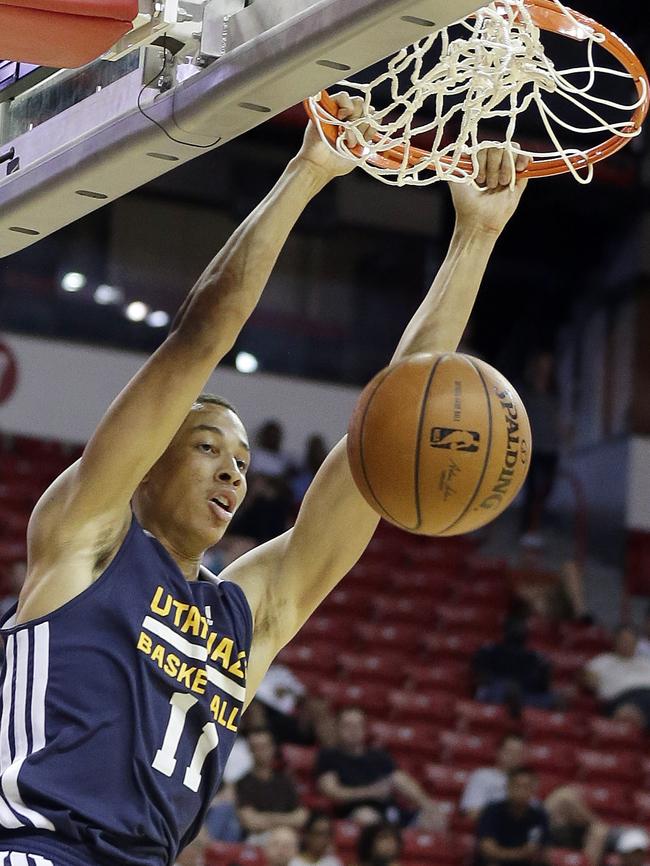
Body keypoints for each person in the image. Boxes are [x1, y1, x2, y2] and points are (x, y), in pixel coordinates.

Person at [0, 88, 529, 866]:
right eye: (209, 446)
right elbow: (201, 334)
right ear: (147, 462)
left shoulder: (245, 616)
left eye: (243, 462)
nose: (232, 472)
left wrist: (474, 241)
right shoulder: (87, 540)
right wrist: (310, 169)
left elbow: (384, 442)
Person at [462, 735, 609, 866]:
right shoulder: (483, 776)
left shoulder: (534, 801)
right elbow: (473, 814)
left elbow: (541, 848)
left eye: (519, 753)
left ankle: (601, 828)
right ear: (499, 752)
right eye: (510, 751)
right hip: (498, 826)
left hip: (531, 824)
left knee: (569, 797)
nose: (515, 756)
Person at [316, 707, 443, 828]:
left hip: (389, 810)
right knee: (366, 816)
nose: (353, 730)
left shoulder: (379, 756)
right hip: (354, 812)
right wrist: (372, 792)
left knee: (434, 819)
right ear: (337, 728)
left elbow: (401, 781)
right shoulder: (329, 756)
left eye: (358, 725)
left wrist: (427, 806)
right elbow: (332, 791)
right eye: (347, 725)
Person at [473, 617, 558, 714]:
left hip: (525, 695)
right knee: (512, 689)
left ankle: (552, 725)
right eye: (515, 627)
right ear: (506, 630)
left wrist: (545, 672)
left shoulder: (533, 657)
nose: (519, 630)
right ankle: (514, 725)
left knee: (558, 699)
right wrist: (503, 683)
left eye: (521, 628)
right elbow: (480, 677)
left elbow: (542, 686)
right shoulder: (490, 650)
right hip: (495, 691)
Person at [236, 728, 308, 841]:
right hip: (257, 839)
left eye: (264, 746)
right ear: (250, 750)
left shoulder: (285, 781)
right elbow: (250, 822)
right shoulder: (243, 783)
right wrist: (286, 820)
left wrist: (267, 819)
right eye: (255, 747)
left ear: (272, 748)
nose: (260, 751)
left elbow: (301, 817)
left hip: (287, 836)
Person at [476, 768, 550, 866]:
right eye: (517, 786)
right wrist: (521, 853)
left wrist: (502, 853)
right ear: (508, 787)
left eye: (527, 787)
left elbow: (537, 851)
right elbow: (488, 850)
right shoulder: (492, 811)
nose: (521, 791)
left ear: (533, 790)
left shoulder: (539, 816)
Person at [582, 626, 650, 729]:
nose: (627, 643)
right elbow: (588, 682)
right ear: (615, 641)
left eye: (631, 640)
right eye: (624, 640)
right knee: (630, 713)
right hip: (622, 699)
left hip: (647, 694)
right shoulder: (601, 661)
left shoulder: (646, 662)